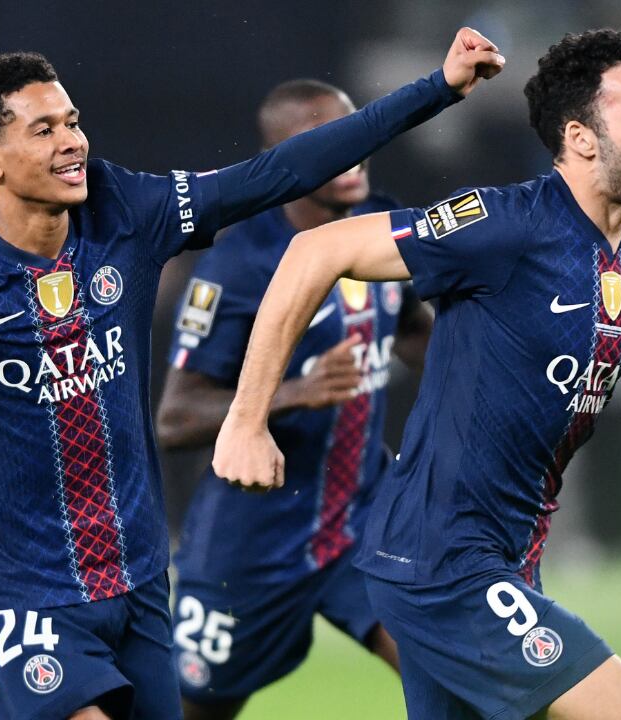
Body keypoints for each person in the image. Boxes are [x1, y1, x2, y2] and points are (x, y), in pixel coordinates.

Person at [0, 30, 502, 720]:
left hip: (140, 581)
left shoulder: (124, 210)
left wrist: (437, 89)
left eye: (72, 120)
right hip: (28, 594)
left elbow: (283, 170)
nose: (72, 141)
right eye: (44, 129)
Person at [212, 29, 621, 719]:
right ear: (582, 138)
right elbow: (315, 251)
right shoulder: (508, 225)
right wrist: (246, 419)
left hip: (496, 562)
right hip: (442, 564)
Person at [155, 79, 433, 719]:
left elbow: (417, 333)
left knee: (447, 672)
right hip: (251, 545)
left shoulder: (379, 229)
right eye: (326, 144)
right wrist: (296, 392)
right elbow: (176, 418)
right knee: (194, 710)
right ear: (286, 162)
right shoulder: (238, 266)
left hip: (365, 523)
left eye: (353, 136)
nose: (351, 155)